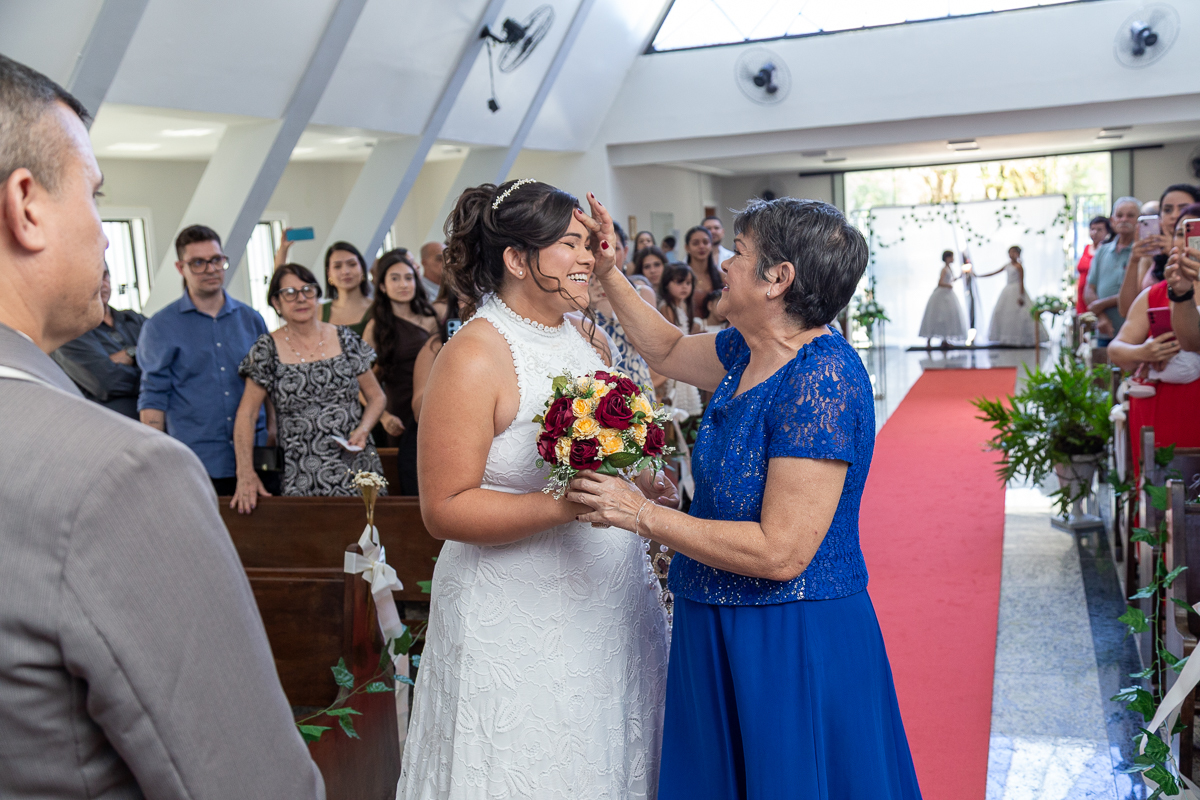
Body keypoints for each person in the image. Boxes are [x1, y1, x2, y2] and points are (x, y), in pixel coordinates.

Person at [0, 52, 322, 799]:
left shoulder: (244, 320)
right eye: (94, 194)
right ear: (27, 204)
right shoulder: (116, 477)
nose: (107, 235)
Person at [568, 195, 922, 799]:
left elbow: (782, 553)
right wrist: (606, 270)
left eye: (741, 254)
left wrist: (643, 514)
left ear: (778, 280)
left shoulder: (820, 379)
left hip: (790, 632)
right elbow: (670, 350)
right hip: (713, 613)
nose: (726, 265)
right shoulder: (749, 349)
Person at [397, 180, 673, 799]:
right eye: (570, 244)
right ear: (517, 259)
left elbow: (614, 448)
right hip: (517, 611)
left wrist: (646, 478)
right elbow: (444, 508)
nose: (589, 257)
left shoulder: (589, 338)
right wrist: (569, 504)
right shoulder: (474, 354)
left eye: (589, 242)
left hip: (607, 596)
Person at [231, 263, 386, 513]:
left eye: (307, 290)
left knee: (367, 542)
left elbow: (377, 397)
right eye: (290, 293)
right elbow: (246, 415)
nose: (301, 298)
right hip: (301, 469)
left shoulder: (345, 338)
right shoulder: (266, 348)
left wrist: (364, 429)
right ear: (276, 302)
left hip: (356, 461)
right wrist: (245, 472)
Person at [138, 224, 278, 496]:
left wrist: (273, 430)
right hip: (195, 458)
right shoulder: (160, 327)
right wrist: (158, 459)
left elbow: (270, 385)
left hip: (256, 455)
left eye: (216, 260)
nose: (210, 269)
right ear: (181, 268)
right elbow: (153, 399)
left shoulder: (251, 320)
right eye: (198, 263)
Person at [363, 249, 438, 495]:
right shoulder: (377, 327)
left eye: (408, 278)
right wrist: (383, 417)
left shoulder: (432, 318)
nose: (403, 284)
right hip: (399, 415)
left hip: (435, 405)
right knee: (409, 484)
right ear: (382, 286)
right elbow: (361, 383)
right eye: (394, 278)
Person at [1109, 205, 1200, 384]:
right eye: (1181, 234)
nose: (1188, 241)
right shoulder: (1155, 294)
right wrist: (1143, 352)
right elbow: (1115, 350)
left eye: (1194, 234)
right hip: (1159, 404)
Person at [51, 264, 146, 417]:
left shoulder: (134, 319)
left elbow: (172, 357)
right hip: (114, 428)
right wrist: (153, 376)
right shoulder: (69, 333)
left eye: (104, 275)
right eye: (92, 277)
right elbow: (107, 381)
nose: (101, 284)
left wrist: (130, 353)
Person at [1118, 185, 1200, 317]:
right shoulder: (1151, 253)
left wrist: (1174, 254)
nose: (1174, 215)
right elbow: (1127, 311)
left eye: (1183, 208)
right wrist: (1133, 260)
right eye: (1167, 210)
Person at [1085, 196, 1140, 344]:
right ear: (1112, 220)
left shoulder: (1142, 253)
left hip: (1134, 332)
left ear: (1139, 220)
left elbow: (1141, 291)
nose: (1124, 219)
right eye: (1119, 215)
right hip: (1105, 330)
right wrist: (1102, 317)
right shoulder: (1103, 251)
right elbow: (1089, 289)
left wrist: (1101, 304)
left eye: (1130, 215)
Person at [658, 262, 704, 416]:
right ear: (666, 284)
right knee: (672, 407)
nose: (685, 286)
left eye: (688, 283)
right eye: (679, 282)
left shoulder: (683, 306)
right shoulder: (666, 307)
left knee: (685, 411)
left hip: (683, 359)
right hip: (674, 361)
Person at [321, 241, 373, 335]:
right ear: (329, 273)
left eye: (352, 264)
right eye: (337, 266)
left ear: (362, 269)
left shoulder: (379, 309)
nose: (345, 271)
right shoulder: (319, 312)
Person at [918, 249, 966, 348]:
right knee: (937, 317)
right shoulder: (944, 269)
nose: (953, 259)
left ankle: (944, 340)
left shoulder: (948, 268)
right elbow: (940, 282)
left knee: (946, 318)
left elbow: (949, 280)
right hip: (942, 295)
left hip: (947, 295)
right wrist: (949, 286)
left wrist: (958, 278)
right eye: (952, 257)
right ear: (948, 258)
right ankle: (930, 341)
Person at [683, 225, 724, 319]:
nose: (701, 246)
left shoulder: (721, 276)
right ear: (687, 247)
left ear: (711, 246)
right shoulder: (680, 277)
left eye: (705, 242)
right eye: (695, 243)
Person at [1076, 216, 1112, 314]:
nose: (1095, 232)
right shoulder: (1086, 248)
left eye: (1099, 230)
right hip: (1081, 297)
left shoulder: (1107, 251)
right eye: (1092, 229)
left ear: (1107, 232)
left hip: (1096, 296)